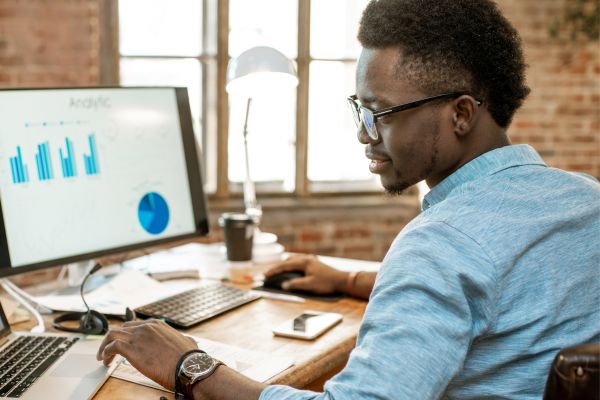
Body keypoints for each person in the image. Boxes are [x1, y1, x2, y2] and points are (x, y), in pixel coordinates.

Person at [97, 0, 600, 398]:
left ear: (462, 114)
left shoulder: (441, 245)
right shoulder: (584, 200)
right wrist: (349, 280)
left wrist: (191, 366)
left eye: (380, 113)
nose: (364, 135)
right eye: (359, 109)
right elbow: (499, 287)